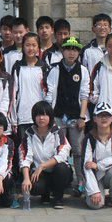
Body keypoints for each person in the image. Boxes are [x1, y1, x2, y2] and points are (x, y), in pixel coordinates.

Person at [46, 36, 90, 191]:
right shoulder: (55, 70)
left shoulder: (83, 71)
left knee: (78, 151)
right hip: (58, 116)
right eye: (68, 49)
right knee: (59, 149)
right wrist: (50, 117)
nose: (71, 53)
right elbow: (49, 94)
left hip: (76, 116)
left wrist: (82, 117)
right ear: (62, 51)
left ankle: (80, 182)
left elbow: (84, 95)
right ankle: (61, 182)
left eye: (75, 50)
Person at [20, 101, 72, 209]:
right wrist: (26, 179)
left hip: (56, 170)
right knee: (33, 186)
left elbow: (62, 154)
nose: (41, 118)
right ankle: (45, 193)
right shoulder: (29, 133)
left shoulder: (57, 132)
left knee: (62, 168)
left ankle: (58, 198)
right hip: (40, 173)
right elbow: (25, 157)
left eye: (44, 115)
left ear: (50, 116)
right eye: (38, 115)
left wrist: (42, 165)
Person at [82, 102, 112, 210]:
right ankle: (92, 192)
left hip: (110, 173)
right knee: (95, 205)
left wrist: (99, 165)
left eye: (107, 115)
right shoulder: (89, 138)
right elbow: (86, 166)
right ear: (95, 118)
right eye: (100, 115)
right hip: (95, 176)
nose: (104, 118)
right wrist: (94, 191)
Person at [10, 32, 49, 138]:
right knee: (24, 146)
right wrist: (14, 119)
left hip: (41, 116)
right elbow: (13, 94)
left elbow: (48, 93)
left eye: (34, 45)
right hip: (23, 116)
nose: (30, 48)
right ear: (23, 46)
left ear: (38, 47)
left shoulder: (43, 67)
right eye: (27, 45)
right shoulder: (18, 67)